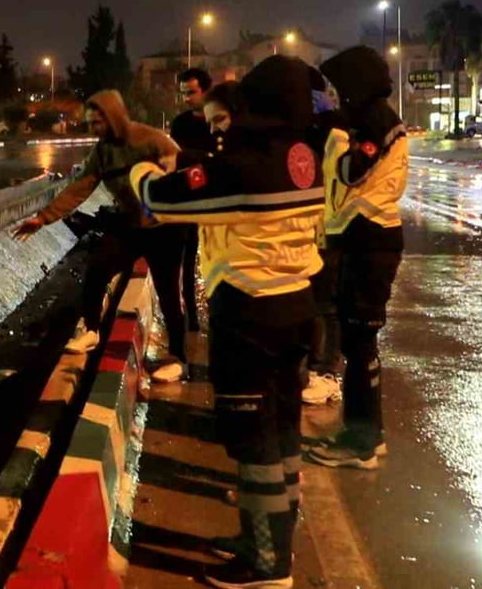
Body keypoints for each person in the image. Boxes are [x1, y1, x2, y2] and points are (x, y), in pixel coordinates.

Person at [131, 55, 324, 588]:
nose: (223, 131)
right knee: (282, 436)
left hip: (251, 315)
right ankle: (267, 542)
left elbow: (159, 199)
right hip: (296, 306)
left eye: (227, 120)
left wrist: (143, 166)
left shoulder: (245, 167)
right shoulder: (299, 155)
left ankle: (266, 567)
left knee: (254, 441)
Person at [13, 90, 187, 382]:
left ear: (114, 118)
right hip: (130, 226)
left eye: (98, 123)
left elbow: (184, 171)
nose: (94, 129)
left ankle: (180, 360)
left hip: (165, 229)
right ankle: (92, 330)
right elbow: (81, 187)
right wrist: (44, 218)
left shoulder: (153, 140)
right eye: (91, 124)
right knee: (97, 270)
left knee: (168, 292)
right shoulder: (102, 152)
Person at [304, 46, 409, 470]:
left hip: (371, 239)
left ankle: (362, 440)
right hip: (357, 237)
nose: (333, 94)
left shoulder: (377, 122)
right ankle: (365, 433)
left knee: (361, 343)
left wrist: (335, 127)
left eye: (337, 87)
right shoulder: (364, 119)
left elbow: (351, 173)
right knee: (356, 341)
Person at [301, 69, 345, 405]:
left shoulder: (334, 130)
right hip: (309, 229)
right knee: (312, 304)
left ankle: (327, 372)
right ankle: (313, 367)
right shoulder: (308, 130)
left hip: (331, 230)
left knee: (326, 306)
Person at [171, 68, 214, 333]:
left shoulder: (220, 122)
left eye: (191, 92)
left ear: (206, 90)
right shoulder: (181, 124)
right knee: (186, 263)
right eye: (183, 93)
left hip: (215, 204)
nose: (186, 98)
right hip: (187, 203)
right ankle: (192, 323)